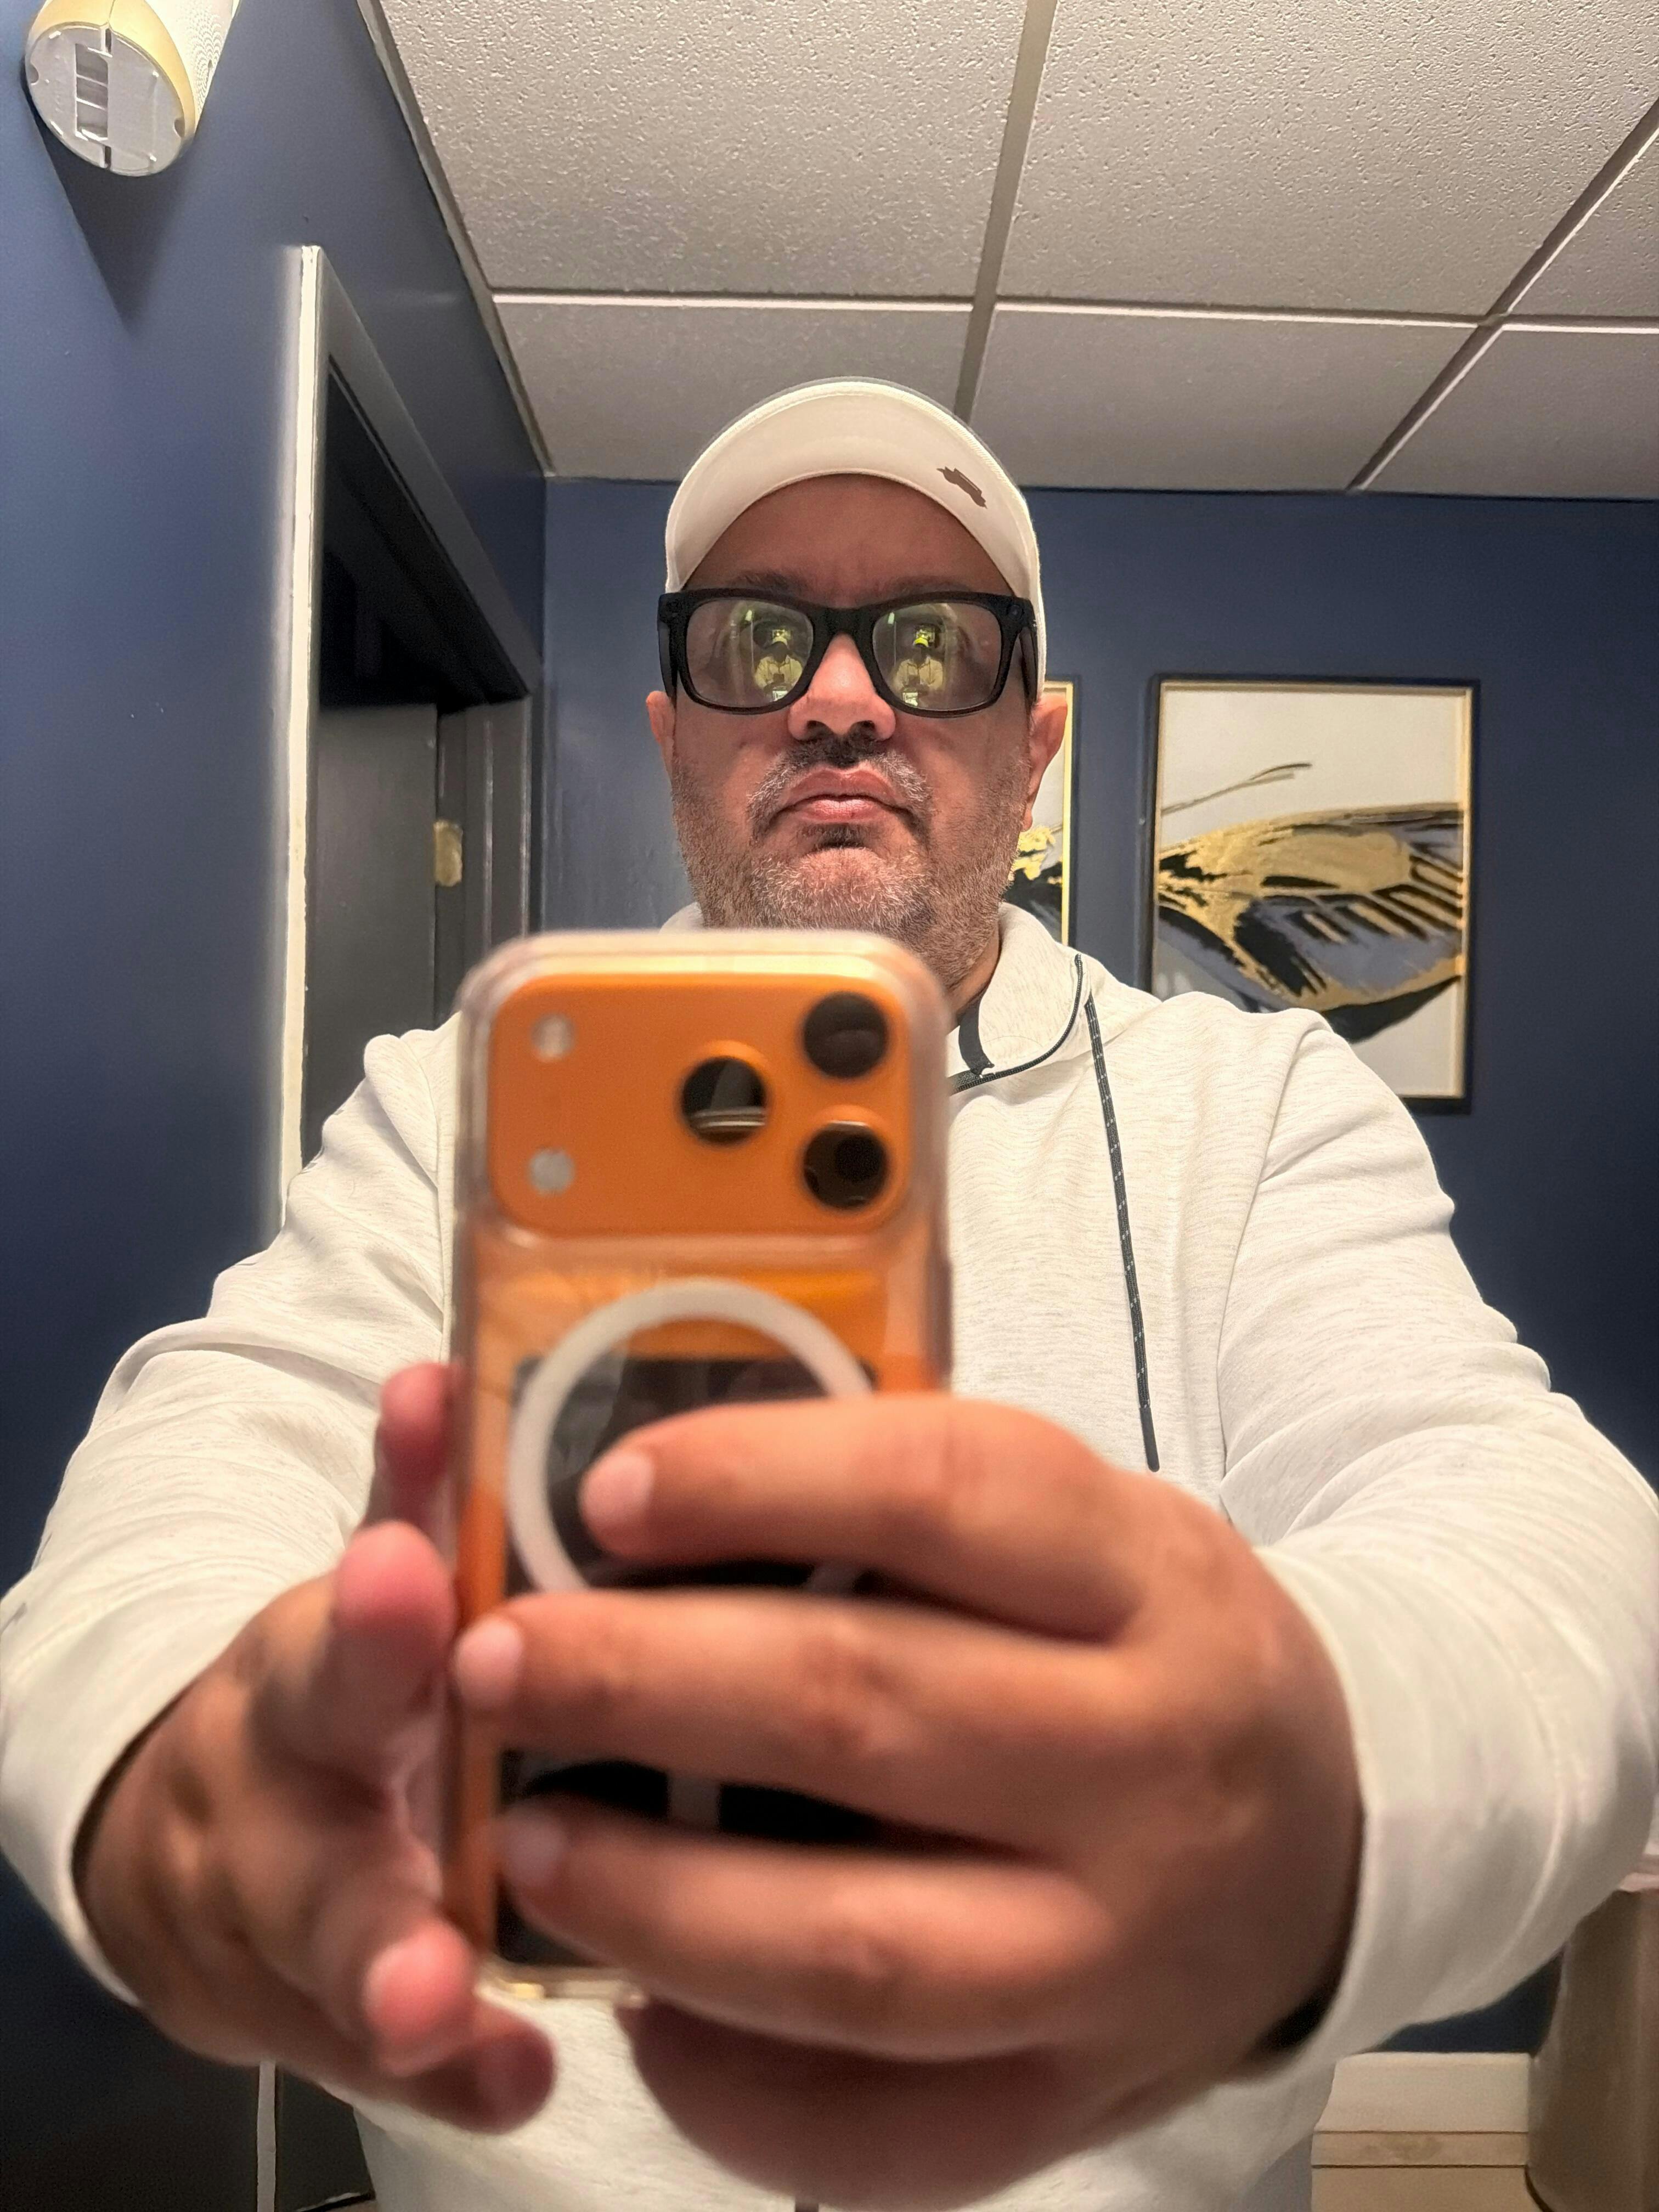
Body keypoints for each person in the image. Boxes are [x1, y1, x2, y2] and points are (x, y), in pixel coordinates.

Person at [2, 379, 1655, 2212]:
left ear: (1032, 746)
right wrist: (169, 1747)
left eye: (932, 645)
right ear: (673, 733)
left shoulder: (1256, 1112)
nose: (844, 696)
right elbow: (217, 1433)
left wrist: (1328, 1772)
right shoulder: (464, 1102)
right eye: (760, 638)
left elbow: (1539, 1529)